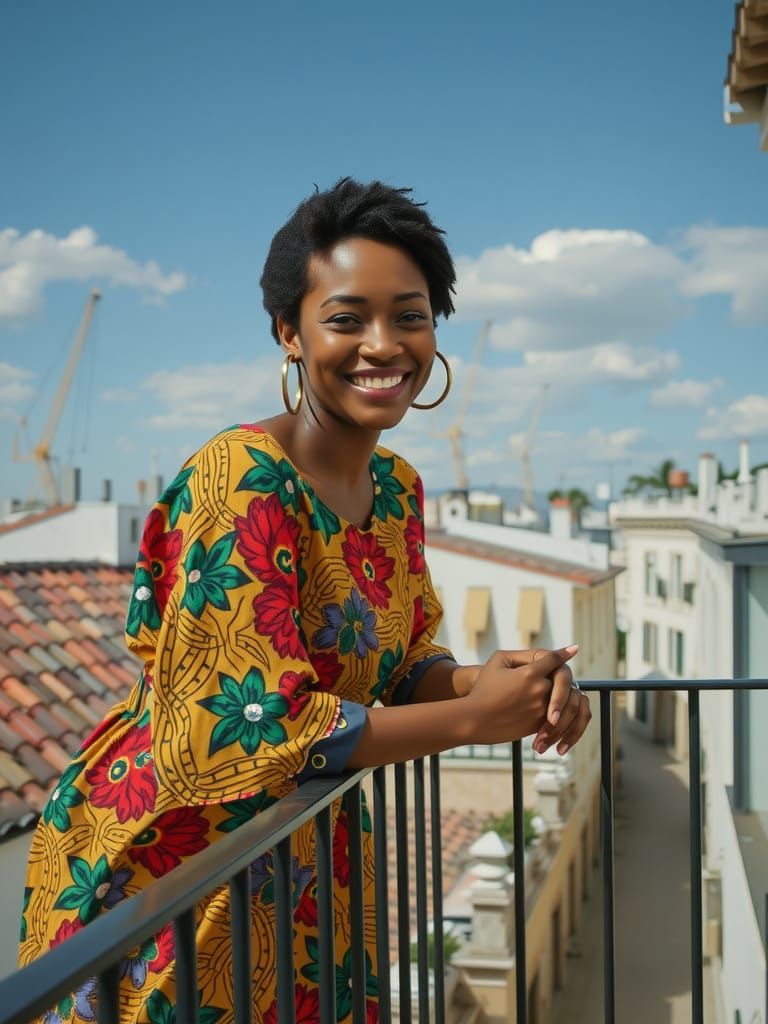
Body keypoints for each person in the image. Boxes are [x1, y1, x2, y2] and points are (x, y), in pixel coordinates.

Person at [19, 178, 591, 1023]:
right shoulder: (240, 478)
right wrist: (473, 721)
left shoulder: (396, 488)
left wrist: (494, 683)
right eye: (347, 317)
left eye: (410, 315)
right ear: (290, 332)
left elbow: (401, 670)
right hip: (172, 878)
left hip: (305, 876)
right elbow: (234, 730)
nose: (383, 344)